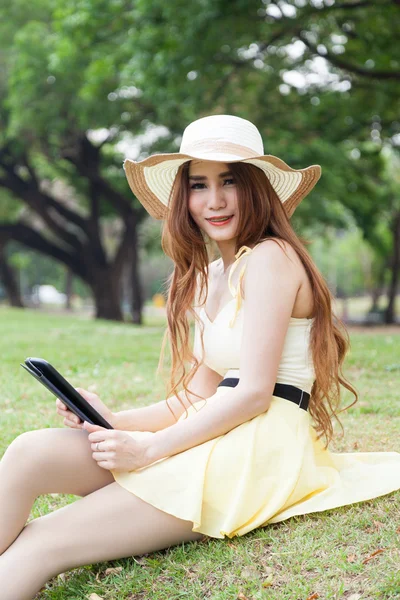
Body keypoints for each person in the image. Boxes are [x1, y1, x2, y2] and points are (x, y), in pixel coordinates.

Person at [1, 114, 399, 599]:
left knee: (38, 543)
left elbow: (252, 393)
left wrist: (148, 449)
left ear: (255, 188)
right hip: (214, 433)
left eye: (229, 181)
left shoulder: (272, 259)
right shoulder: (210, 275)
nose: (214, 200)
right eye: (199, 184)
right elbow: (196, 394)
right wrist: (113, 419)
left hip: (257, 449)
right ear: (183, 197)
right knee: (27, 452)